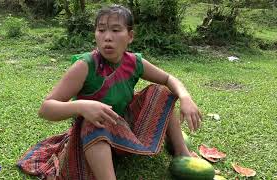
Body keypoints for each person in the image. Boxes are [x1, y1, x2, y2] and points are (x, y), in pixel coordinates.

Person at [17, 4, 202, 180]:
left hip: (126, 127)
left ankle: (182, 152)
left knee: (161, 91)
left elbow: (169, 79)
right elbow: (45, 108)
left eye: (115, 30)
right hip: (94, 138)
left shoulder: (133, 62)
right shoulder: (84, 66)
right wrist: (81, 106)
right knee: (96, 121)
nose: (107, 37)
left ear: (130, 36)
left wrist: (185, 97)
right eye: (101, 30)